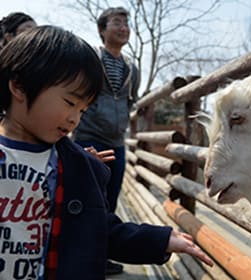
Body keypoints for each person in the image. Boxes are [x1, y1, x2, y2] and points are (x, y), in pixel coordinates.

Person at [0, 25, 213, 279]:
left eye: (82, 110)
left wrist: (159, 240)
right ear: (20, 87)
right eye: (69, 103)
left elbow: (100, 231)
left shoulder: (74, 166)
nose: (74, 120)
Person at [72, 7, 136, 273]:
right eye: (117, 23)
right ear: (102, 29)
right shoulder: (91, 58)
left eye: (126, 24)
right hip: (89, 137)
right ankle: (76, 254)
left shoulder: (131, 67)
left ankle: (101, 255)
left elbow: (130, 99)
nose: (123, 28)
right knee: (85, 198)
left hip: (117, 141)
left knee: (109, 199)